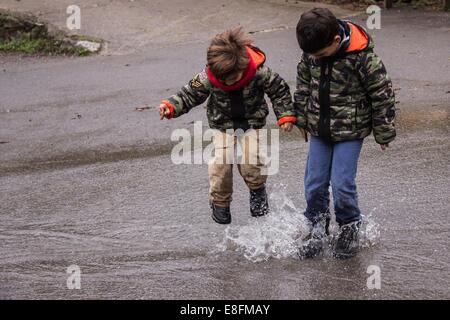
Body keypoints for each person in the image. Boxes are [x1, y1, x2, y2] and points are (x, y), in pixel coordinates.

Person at [159, 27, 297, 224]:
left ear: (241, 67)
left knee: (252, 159)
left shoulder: (259, 72)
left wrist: (285, 116)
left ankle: (257, 190)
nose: (227, 82)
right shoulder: (208, 76)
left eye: (232, 79)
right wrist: (171, 106)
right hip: (222, 125)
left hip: (252, 123)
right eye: (222, 80)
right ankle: (220, 201)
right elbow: (189, 93)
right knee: (221, 162)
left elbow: (279, 91)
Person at [294, 8, 396, 258]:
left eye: (320, 53)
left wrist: (384, 130)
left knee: (342, 184)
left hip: (351, 131)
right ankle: (317, 226)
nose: (315, 58)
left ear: (336, 41)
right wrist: (301, 117)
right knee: (314, 184)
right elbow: (304, 85)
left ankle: (349, 225)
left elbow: (382, 94)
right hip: (319, 128)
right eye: (311, 54)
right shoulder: (311, 54)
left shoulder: (362, 58)